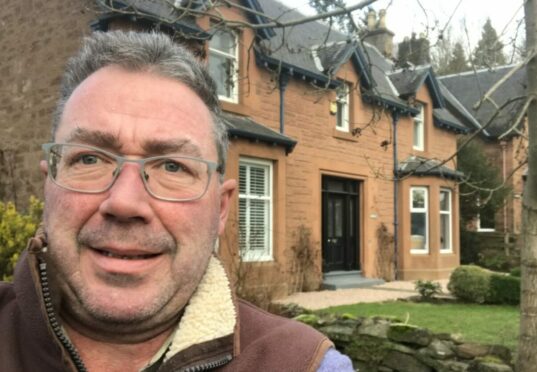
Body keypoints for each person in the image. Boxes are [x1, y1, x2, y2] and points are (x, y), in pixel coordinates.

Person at [0, 31, 353, 372]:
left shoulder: (303, 364)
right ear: (49, 185)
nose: (124, 202)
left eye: (172, 166)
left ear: (221, 208)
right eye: (90, 159)